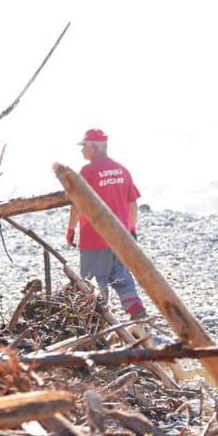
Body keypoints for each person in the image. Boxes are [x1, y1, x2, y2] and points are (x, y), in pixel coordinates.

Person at [66, 128, 148, 320]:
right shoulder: (121, 169)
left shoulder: (88, 171)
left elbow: (77, 203)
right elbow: (132, 203)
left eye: (84, 146)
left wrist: (70, 230)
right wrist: (131, 229)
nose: (81, 150)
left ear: (94, 147)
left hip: (95, 237)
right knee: (121, 278)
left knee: (94, 283)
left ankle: (96, 322)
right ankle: (137, 312)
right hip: (120, 236)